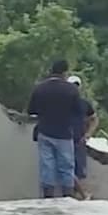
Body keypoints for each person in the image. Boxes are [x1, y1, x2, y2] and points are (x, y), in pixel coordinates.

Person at [26, 60, 80, 198]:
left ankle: (48, 197)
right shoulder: (71, 89)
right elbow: (78, 112)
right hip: (64, 133)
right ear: (65, 72)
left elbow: (31, 110)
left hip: (45, 131)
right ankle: (67, 197)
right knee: (66, 167)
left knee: (47, 166)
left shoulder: (40, 88)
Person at [66, 75, 98, 200]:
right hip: (65, 139)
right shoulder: (62, 104)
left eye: (76, 86)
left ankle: (76, 194)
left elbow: (94, 119)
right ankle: (81, 194)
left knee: (78, 170)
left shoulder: (84, 104)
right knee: (68, 168)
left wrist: (88, 134)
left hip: (79, 140)